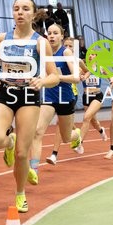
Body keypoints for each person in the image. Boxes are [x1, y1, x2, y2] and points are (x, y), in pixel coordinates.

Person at [0, 0, 59, 214]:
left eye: (25, 9)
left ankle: (20, 193)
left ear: (33, 14)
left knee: (22, 155)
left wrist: (42, 81)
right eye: (16, 9)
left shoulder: (40, 42)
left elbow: (54, 75)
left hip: (29, 96)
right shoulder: (1, 39)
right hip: (5, 93)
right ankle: (9, 141)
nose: (20, 12)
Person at [30, 23, 83, 184]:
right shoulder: (43, 53)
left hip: (65, 97)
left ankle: (77, 135)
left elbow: (76, 78)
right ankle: (34, 169)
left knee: (67, 138)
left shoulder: (65, 52)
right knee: (37, 131)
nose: (51, 36)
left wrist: (57, 77)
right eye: (49, 33)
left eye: (55, 33)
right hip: (48, 97)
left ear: (62, 36)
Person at [75, 50, 108, 148]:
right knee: (93, 121)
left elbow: (111, 77)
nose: (90, 56)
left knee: (86, 118)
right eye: (89, 54)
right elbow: (76, 79)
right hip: (86, 96)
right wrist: (80, 77)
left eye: (93, 54)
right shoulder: (83, 69)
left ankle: (79, 142)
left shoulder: (100, 68)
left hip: (97, 95)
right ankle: (101, 130)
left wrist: (111, 80)